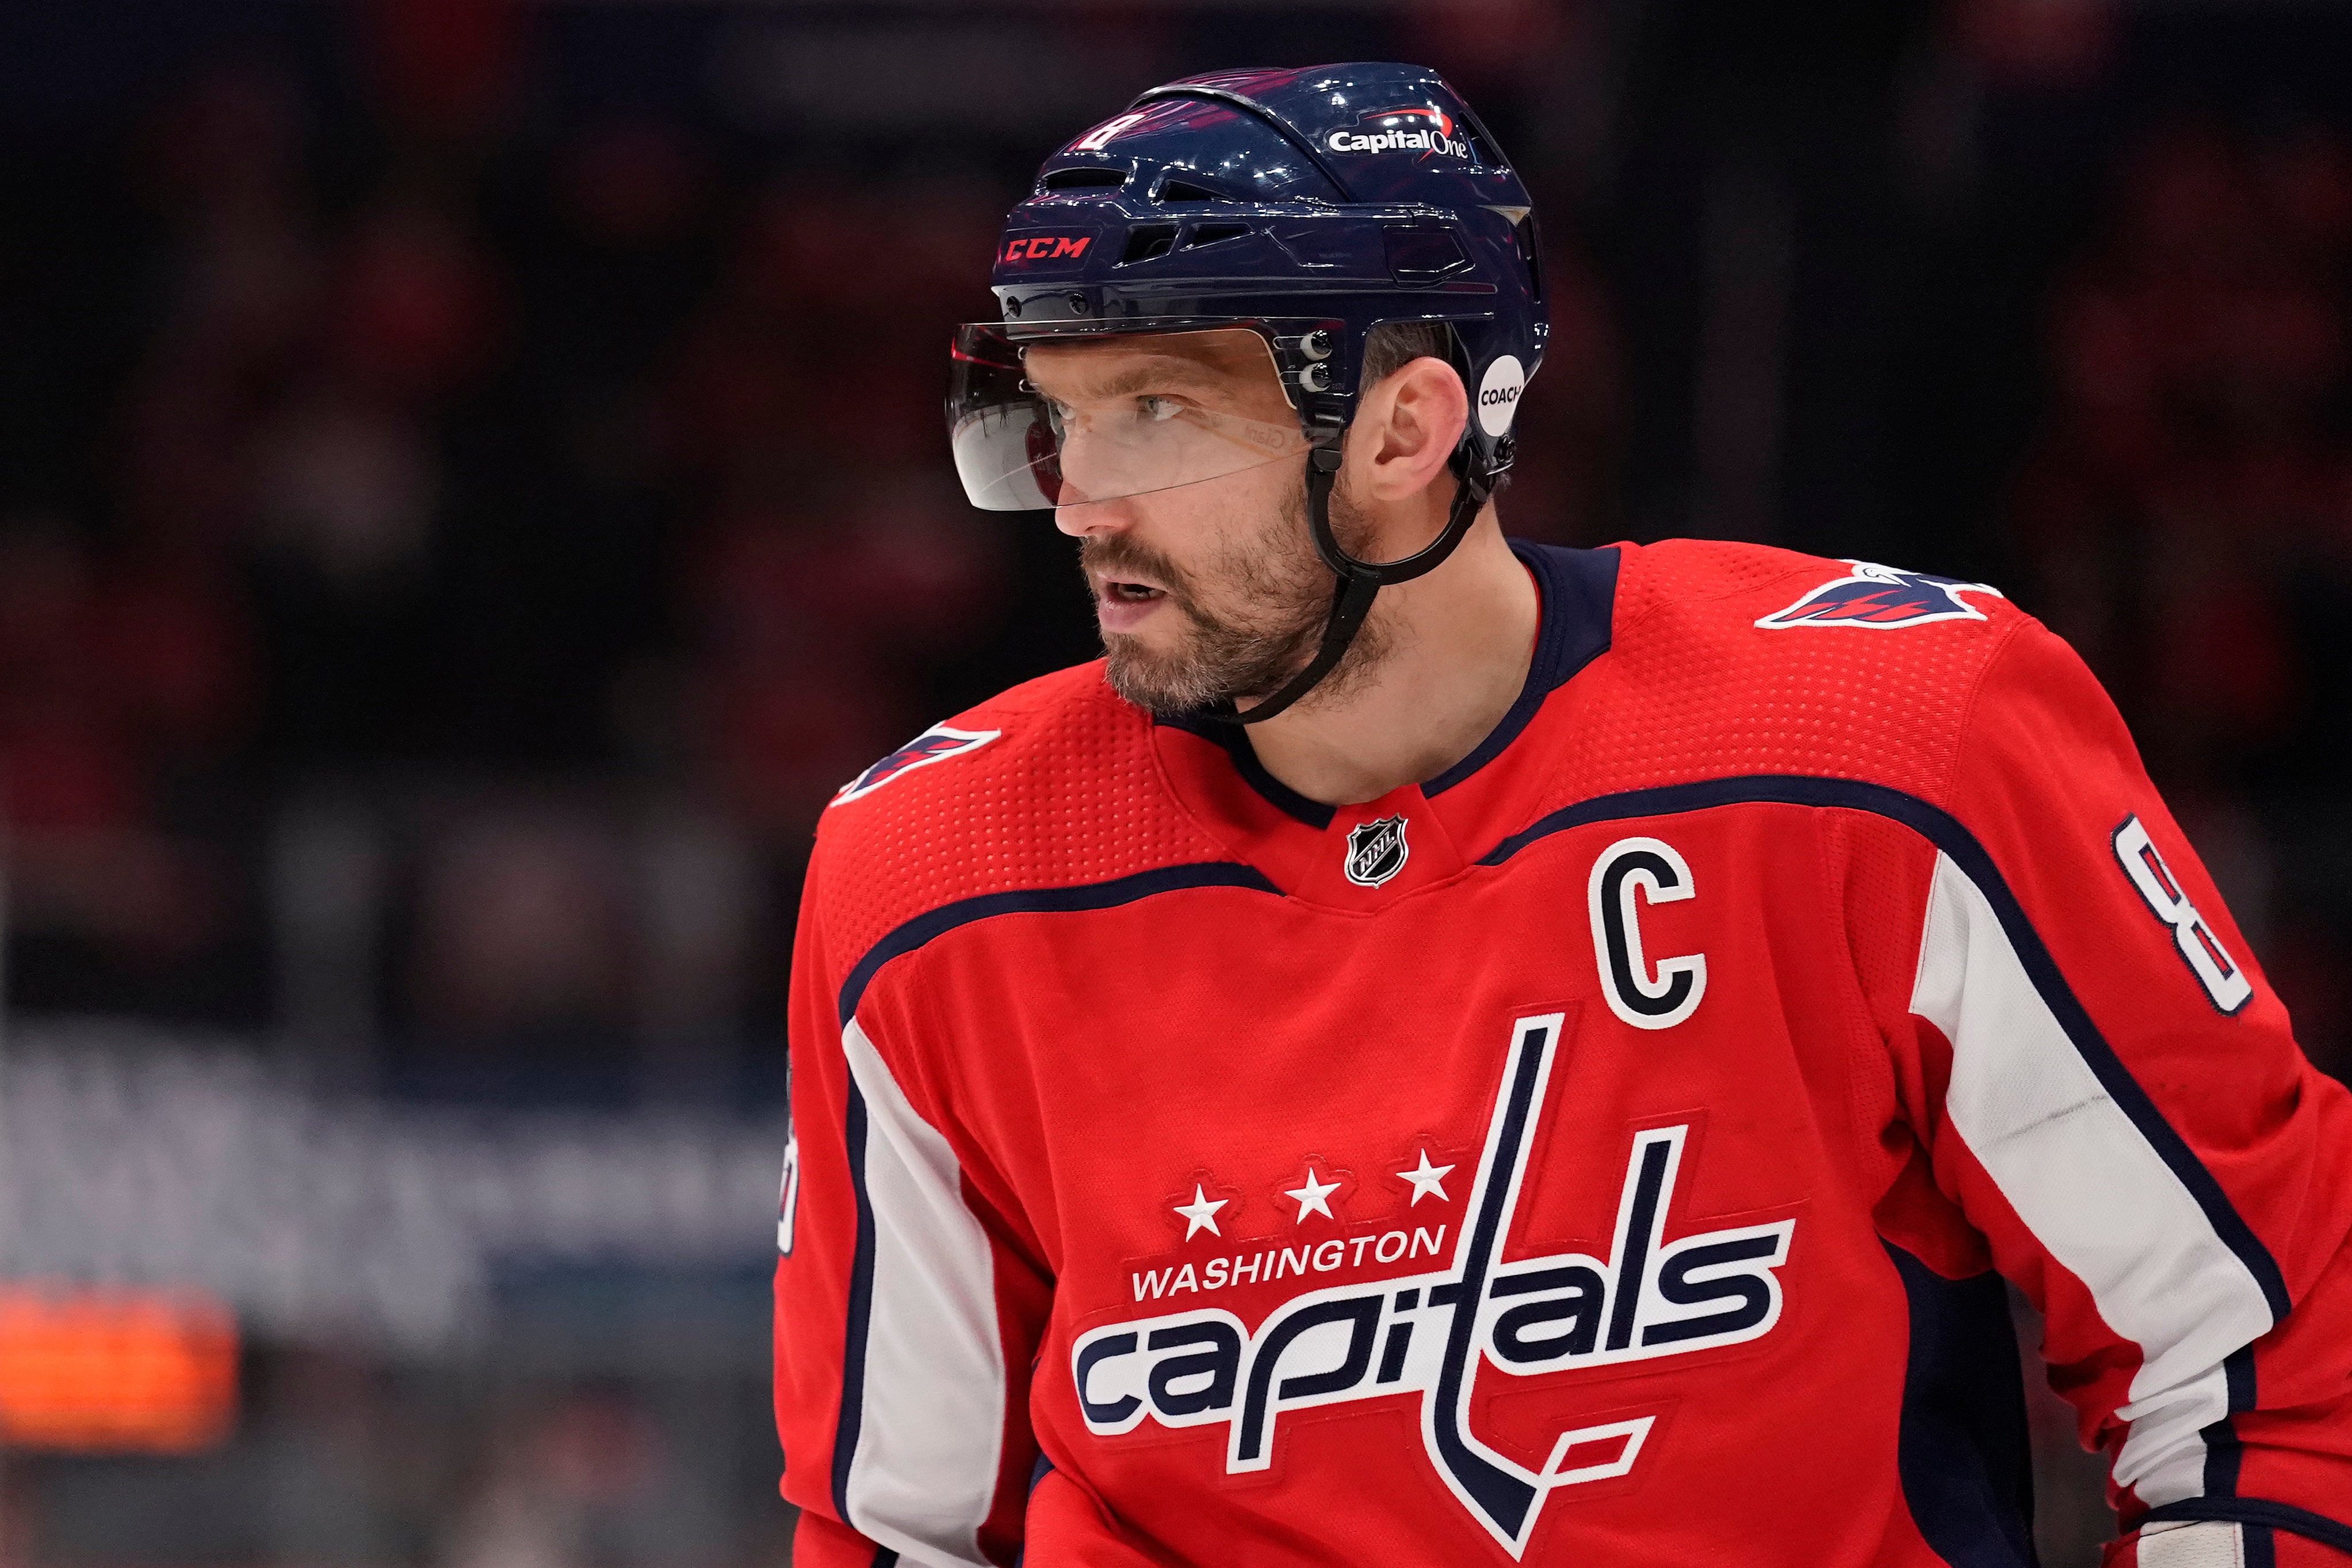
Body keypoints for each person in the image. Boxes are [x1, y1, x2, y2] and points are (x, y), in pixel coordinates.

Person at [772, 63, 2352, 1567]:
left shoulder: (1886, 746)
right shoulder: (929, 875)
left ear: (1404, 430)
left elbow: (2264, 1349)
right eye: (1052, 414)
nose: (1078, 500)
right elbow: (900, 1529)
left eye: (1157, 413)